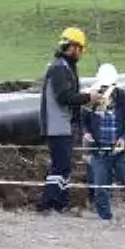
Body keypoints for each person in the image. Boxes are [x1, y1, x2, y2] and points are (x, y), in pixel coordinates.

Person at [39, 27, 103, 214]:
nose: (81, 53)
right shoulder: (60, 68)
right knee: (60, 166)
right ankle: (50, 204)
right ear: (73, 47)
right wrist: (88, 97)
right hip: (56, 125)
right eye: (80, 48)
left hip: (63, 125)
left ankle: (60, 204)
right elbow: (64, 97)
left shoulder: (65, 67)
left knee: (64, 166)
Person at [81, 63, 125, 222]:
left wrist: (124, 138)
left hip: (123, 151)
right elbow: (83, 120)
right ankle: (104, 218)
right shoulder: (92, 99)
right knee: (101, 188)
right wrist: (87, 133)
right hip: (100, 151)